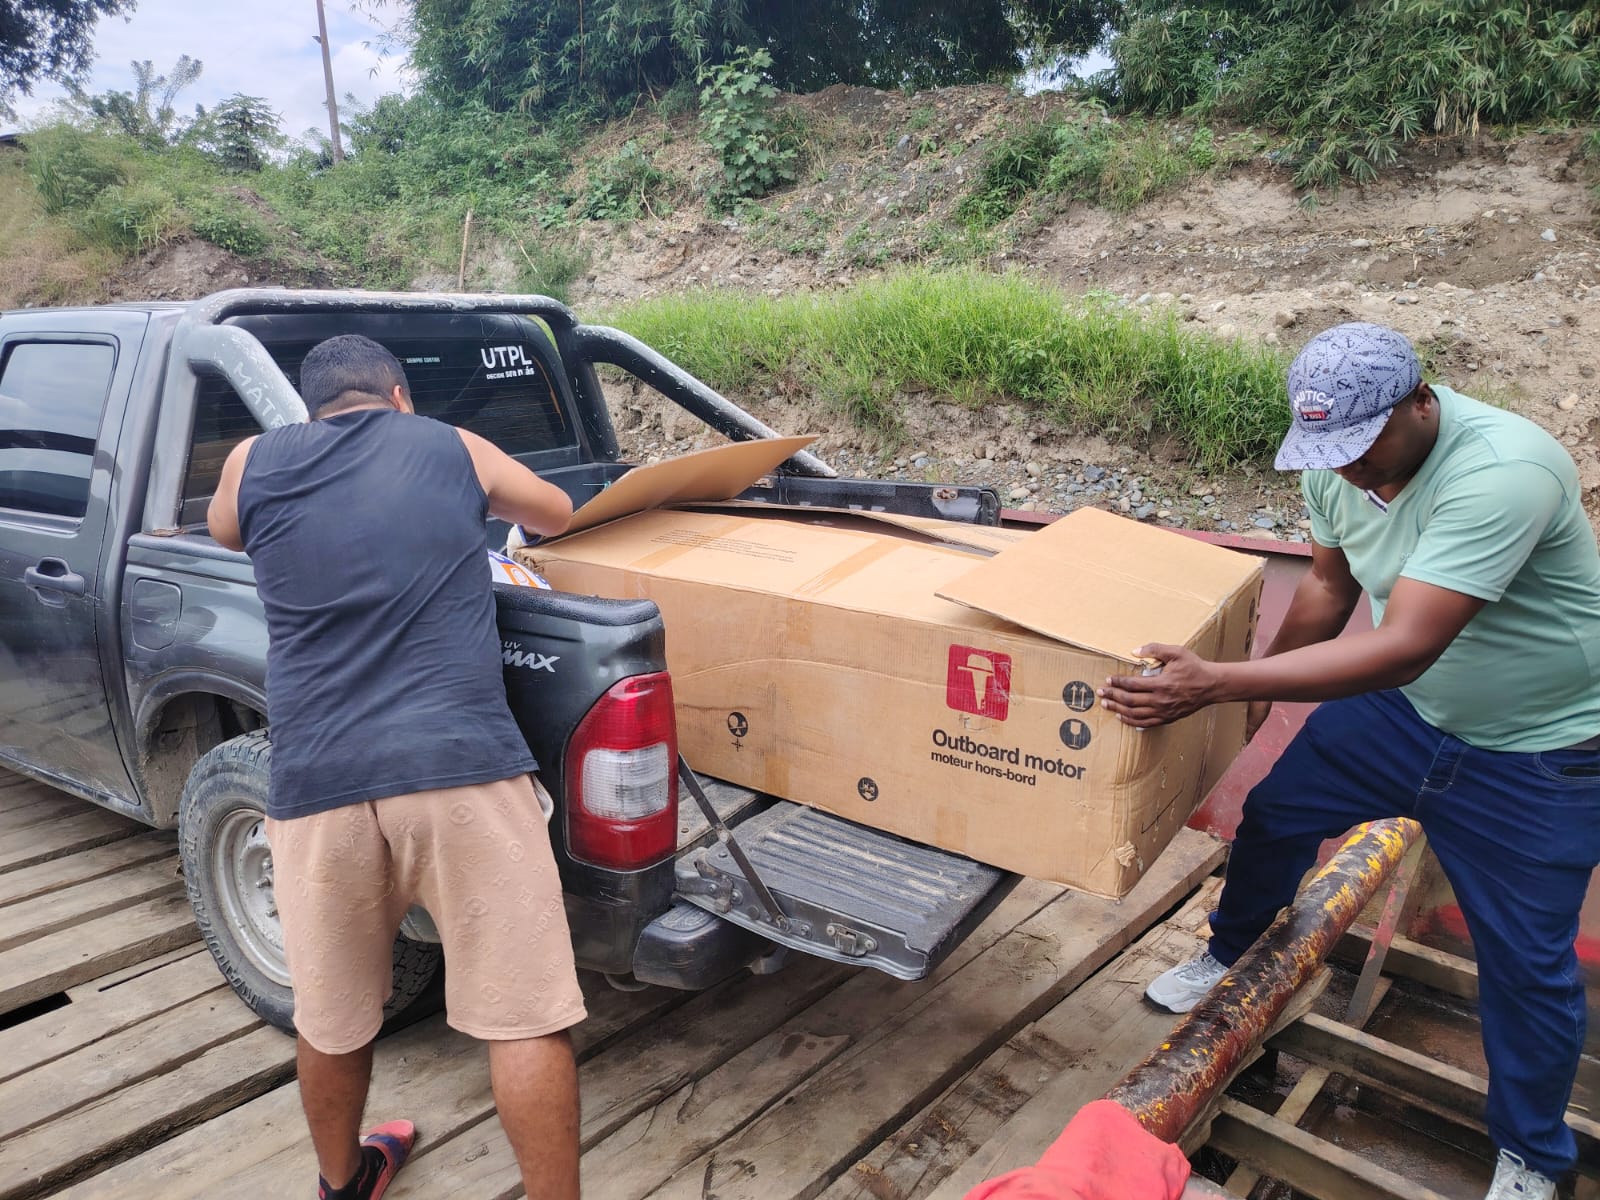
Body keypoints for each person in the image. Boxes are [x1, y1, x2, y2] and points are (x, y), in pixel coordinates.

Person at [1099, 322, 1600, 1200]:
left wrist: (1215, 681)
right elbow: (1330, 586)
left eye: (1366, 447)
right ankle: (1228, 956)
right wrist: (1257, 692)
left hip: (1538, 750)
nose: (1349, 469)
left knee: (1527, 967)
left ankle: (1532, 1158)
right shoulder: (1338, 463)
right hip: (1412, 713)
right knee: (1276, 814)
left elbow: (1404, 645)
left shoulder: (1505, 471)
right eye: (1330, 452)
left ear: (1421, 402)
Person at [207, 333, 582, 1200]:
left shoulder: (253, 459)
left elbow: (226, 530)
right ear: (400, 396)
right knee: (524, 1016)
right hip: (461, 771)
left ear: (313, 409)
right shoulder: (452, 445)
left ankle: (344, 1183)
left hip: (318, 783)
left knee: (330, 1017)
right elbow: (556, 512)